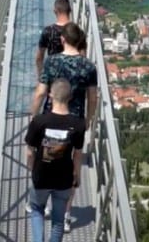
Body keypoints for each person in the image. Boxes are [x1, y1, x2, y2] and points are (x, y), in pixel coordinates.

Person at [30, 22, 98, 233]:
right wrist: (88, 119)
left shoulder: (52, 62)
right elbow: (92, 97)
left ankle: (45, 203)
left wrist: (34, 117)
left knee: (49, 158)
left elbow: (41, 93)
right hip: (75, 121)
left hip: (52, 119)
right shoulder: (88, 67)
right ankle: (66, 213)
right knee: (70, 164)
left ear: (62, 40)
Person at [25, 78, 86, 242]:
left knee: (37, 210)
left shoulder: (38, 121)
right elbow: (78, 154)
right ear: (70, 97)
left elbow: (30, 152)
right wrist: (76, 175)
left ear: (50, 96)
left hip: (41, 177)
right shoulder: (79, 124)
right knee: (58, 221)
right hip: (64, 179)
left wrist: (32, 170)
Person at [35, 0, 86, 79]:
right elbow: (83, 58)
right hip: (72, 81)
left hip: (53, 81)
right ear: (70, 10)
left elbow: (39, 58)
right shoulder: (79, 32)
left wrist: (41, 79)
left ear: (55, 11)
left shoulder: (48, 31)